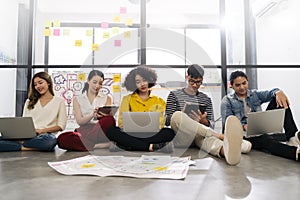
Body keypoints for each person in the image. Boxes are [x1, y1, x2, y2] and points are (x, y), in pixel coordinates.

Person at [165, 64, 251, 165]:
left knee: (209, 141)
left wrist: (203, 121)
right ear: (187, 77)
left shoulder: (206, 99)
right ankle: (222, 137)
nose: (195, 85)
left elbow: (211, 124)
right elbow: (168, 121)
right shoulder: (174, 95)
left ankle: (226, 151)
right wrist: (183, 115)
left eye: (198, 82)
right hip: (182, 136)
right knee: (177, 115)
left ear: (202, 80)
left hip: (200, 136)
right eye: (192, 81)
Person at [221, 70, 300, 162]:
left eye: (244, 83)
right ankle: (295, 153)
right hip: (243, 135)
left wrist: (278, 92)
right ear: (232, 86)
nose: (242, 87)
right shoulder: (227, 100)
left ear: (247, 81)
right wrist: (243, 126)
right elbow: (228, 122)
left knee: (278, 100)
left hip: (259, 129)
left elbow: (271, 92)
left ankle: (292, 138)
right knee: (266, 140)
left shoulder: (255, 95)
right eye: (238, 85)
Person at [106, 65, 175, 152]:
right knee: (111, 131)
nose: (142, 84)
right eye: (138, 82)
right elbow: (121, 122)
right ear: (133, 84)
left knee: (169, 133)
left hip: (151, 134)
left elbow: (160, 123)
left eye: (144, 80)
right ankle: (151, 147)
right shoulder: (127, 99)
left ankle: (126, 145)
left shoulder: (159, 101)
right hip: (131, 133)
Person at [0, 71, 67, 152]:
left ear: (48, 82)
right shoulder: (29, 101)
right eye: (35, 84)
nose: (38, 86)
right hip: (28, 135)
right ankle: (25, 147)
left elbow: (61, 126)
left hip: (45, 136)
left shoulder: (59, 101)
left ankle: (17, 145)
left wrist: (42, 130)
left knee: (50, 142)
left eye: (40, 83)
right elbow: (24, 122)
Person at [57, 70, 116, 151]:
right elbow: (80, 121)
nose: (97, 86)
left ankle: (86, 144)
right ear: (88, 81)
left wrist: (104, 115)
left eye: (100, 83)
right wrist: (92, 114)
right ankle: (98, 145)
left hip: (99, 129)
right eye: (95, 82)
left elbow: (107, 120)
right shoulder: (77, 99)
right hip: (85, 130)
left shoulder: (107, 98)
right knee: (61, 138)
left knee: (109, 119)